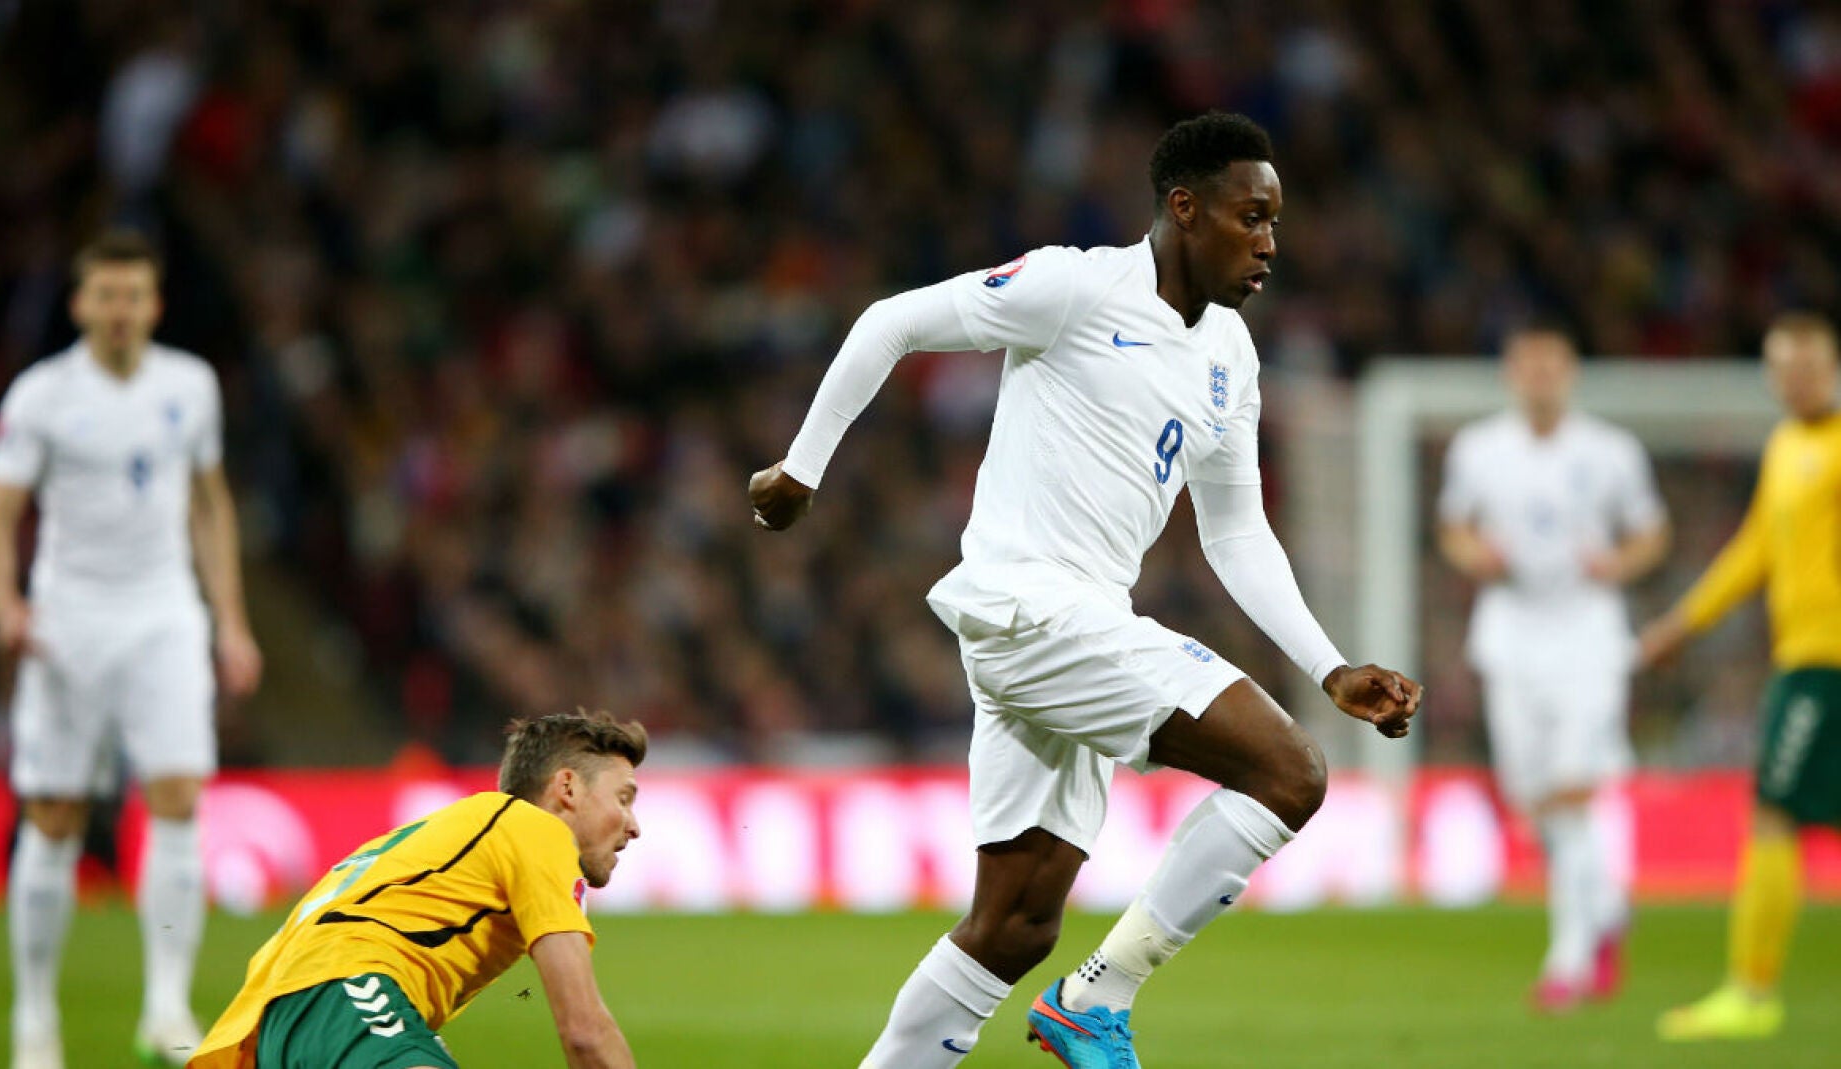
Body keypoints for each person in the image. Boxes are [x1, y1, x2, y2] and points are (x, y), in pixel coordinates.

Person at [749, 111, 1421, 1068]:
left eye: (1276, 221)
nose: (1270, 242)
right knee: (1290, 773)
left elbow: (1235, 532)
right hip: (1029, 604)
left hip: (1079, 623)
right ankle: (1097, 1001)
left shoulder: (1231, 355)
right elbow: (889, 321)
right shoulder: (1074, 285)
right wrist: (801, 468)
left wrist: (1329, 664)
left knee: (1015, 923)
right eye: (1251, 216)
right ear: (1185, 208)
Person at [0, 229, 264, 1069]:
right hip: (69, 619)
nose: (121, 310)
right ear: (80, 304)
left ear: (155, 304)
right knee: (55, 811)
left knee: (178, 796)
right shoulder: (42, 395)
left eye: (135, 294)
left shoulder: (190, 385)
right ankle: (35, 1021)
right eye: (106, 294)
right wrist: (7, 607)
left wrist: (231, 620)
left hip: (165, 613)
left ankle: (166, 1005)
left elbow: (210, 505)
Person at [188, 710, 645, 1069]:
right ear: (566, 787)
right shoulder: (537, 831)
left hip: (277, 1023)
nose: (634, 826)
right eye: (623, 798)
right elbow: (585, 1030)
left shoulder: (463, 831)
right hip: (344, 992)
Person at [1436, 324, 1670, 1012]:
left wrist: (1620, 563)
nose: (1540, 377)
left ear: (1570, 373)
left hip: (1589, 636)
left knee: (1574, 790)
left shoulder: (1610, 451)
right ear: (1512, 374)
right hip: (1510, 635)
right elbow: (1455, 526)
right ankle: (1607, 906)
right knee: (1531, 799)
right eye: (1528, 366)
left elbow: (1651, 530)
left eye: (1552, 366)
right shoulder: (1479, 448)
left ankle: (1568, 955)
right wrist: (1474, 554)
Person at [1640, 312, 1841, 1042]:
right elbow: (1754, 551)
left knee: (1775, 815)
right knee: (1776, 815)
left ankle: (1752, 993)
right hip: (1806, 662)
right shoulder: (1789, 447)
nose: (1797, 380)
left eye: (1810, 366)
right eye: (1783, 368)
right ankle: (1750, 991)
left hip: (1828, 665)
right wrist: (1680, 624)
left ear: (1832, 367)